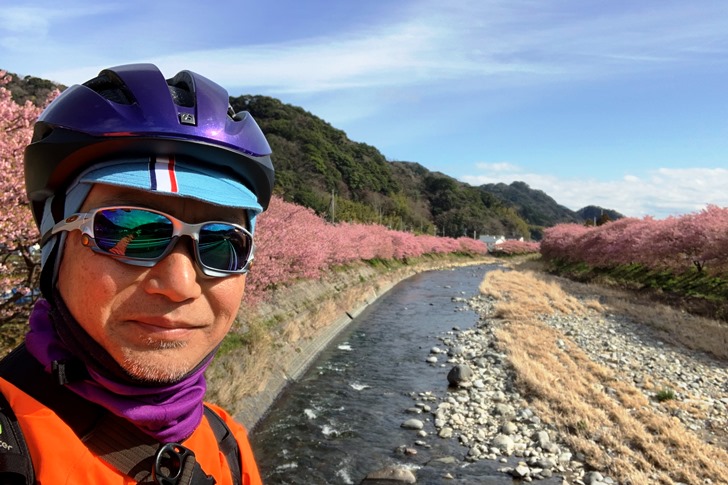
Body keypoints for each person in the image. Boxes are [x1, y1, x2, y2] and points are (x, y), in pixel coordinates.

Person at [0, 63, 275, 484]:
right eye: (130, 229)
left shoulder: (227, 444)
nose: (179, 285)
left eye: (223, 243)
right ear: (56, 244)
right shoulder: (12, 448)